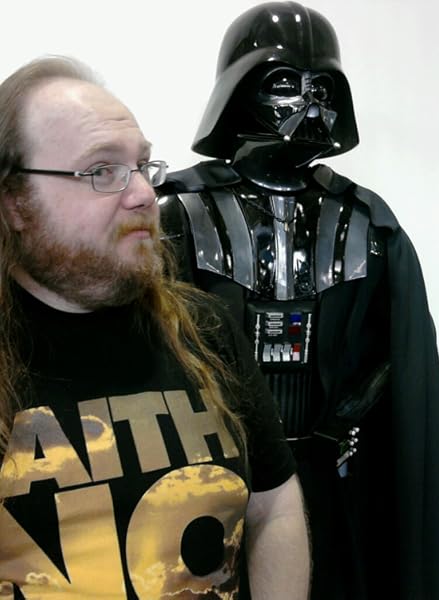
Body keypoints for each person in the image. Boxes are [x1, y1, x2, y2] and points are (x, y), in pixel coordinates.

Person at [159, 2, 439, 599]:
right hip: (207, 480)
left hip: (330, 477)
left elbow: (398, 359)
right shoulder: (180, 214)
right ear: (238, 89)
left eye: (323, 87)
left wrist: (350, 417)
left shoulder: (368, 224)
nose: (309, 103)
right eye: (285, 83)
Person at [0, 55, 311, 599]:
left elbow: (273, 504)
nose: (145, 193)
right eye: (102, 171)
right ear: (15, 204)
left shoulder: (205, 331)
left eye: (143, 165)